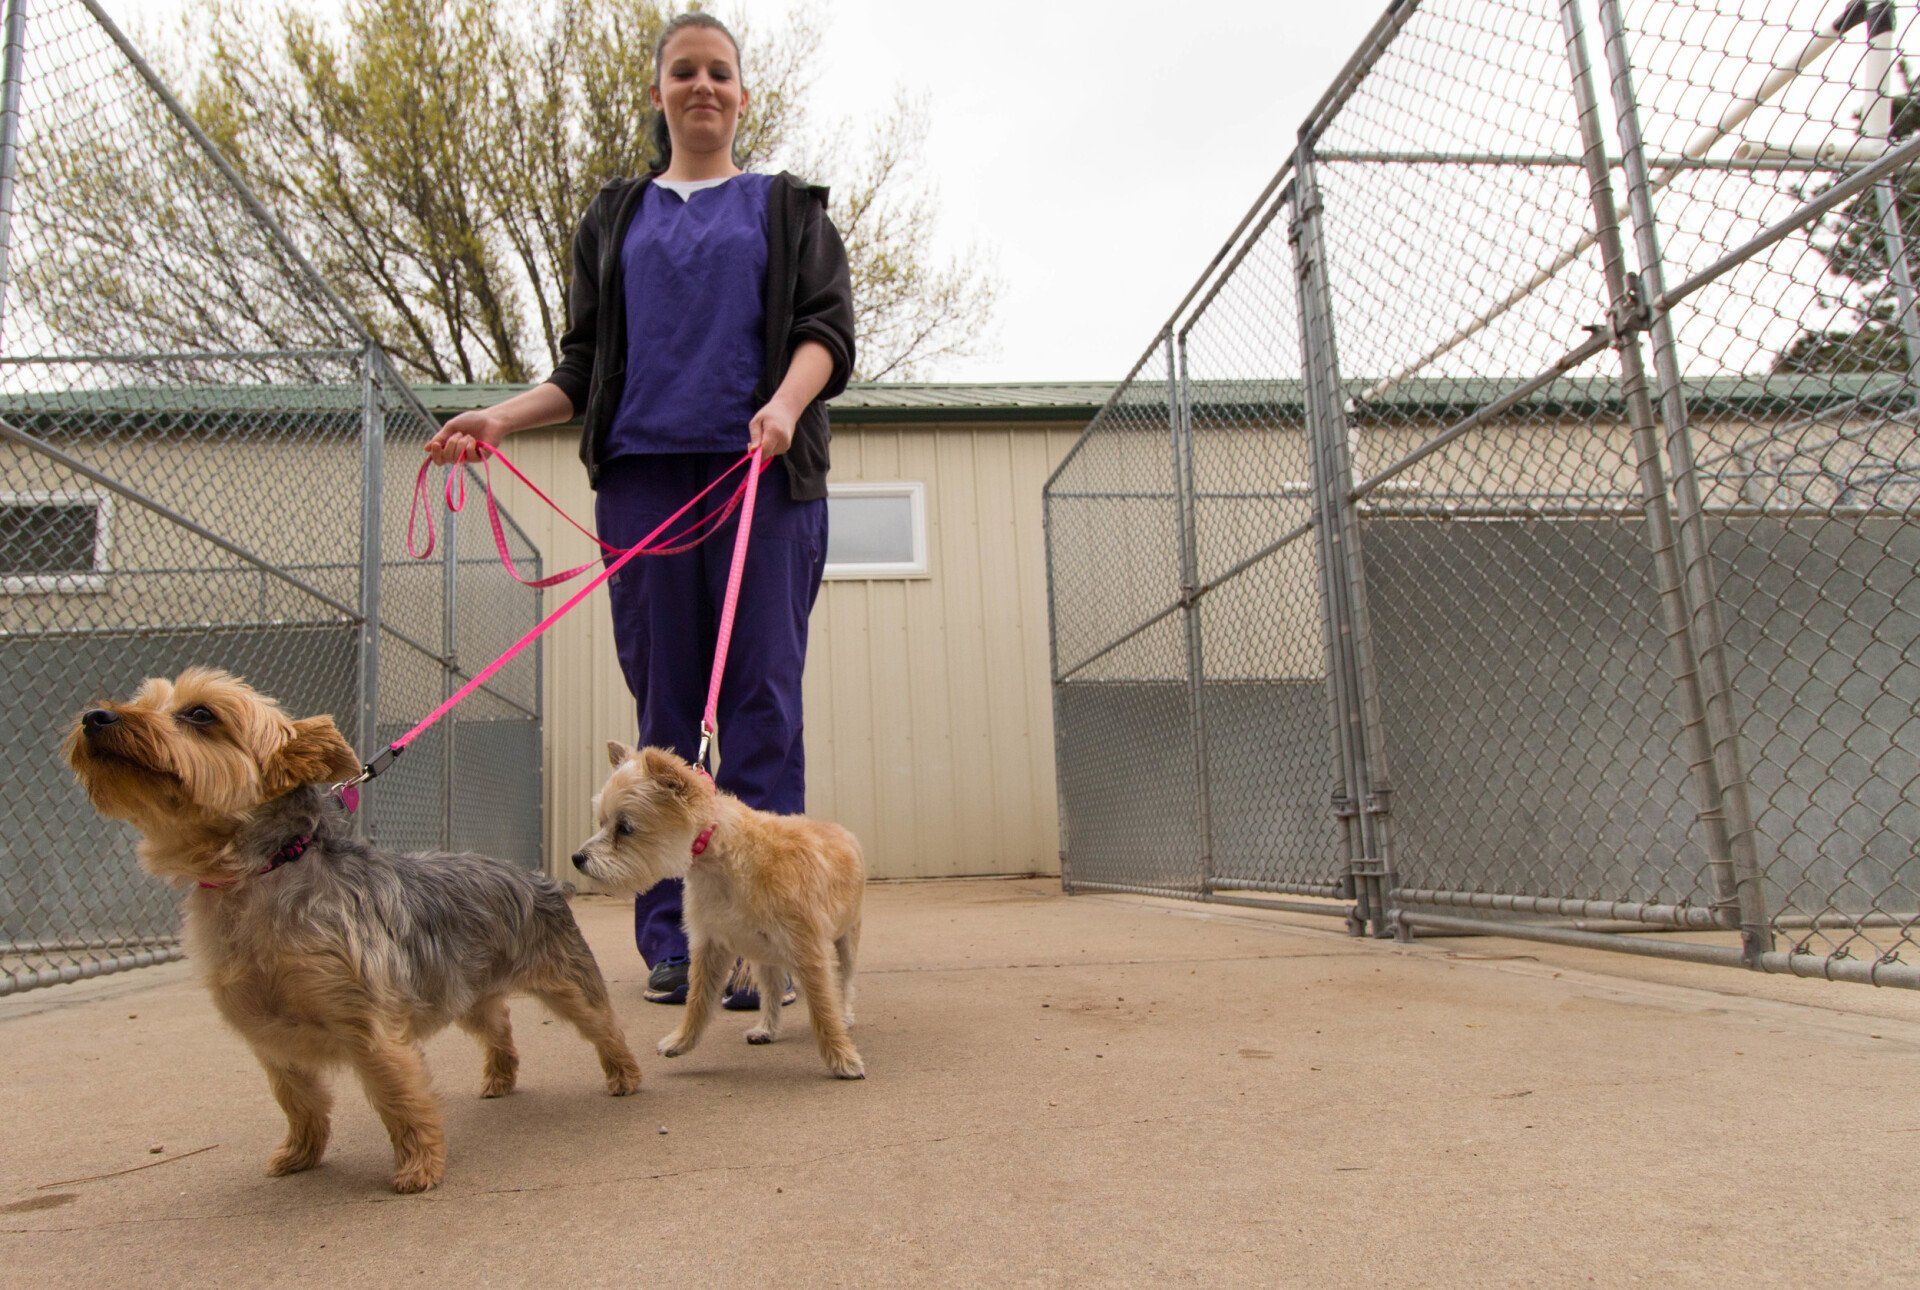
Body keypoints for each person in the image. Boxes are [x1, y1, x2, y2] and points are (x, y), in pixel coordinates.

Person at [424, 11, 855, 1006]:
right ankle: (675, 941)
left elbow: (826, 331)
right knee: (664, 723)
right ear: (660, 93)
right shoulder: (617, 218)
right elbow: (582, 369)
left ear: (743, 95)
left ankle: (764, 940)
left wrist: (784, 408)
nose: (703, 86)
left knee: (759, 708)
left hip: (761, 475)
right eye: (684, 72)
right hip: (643, 483)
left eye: (720, 72)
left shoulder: (788, 208)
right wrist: (498, 417)